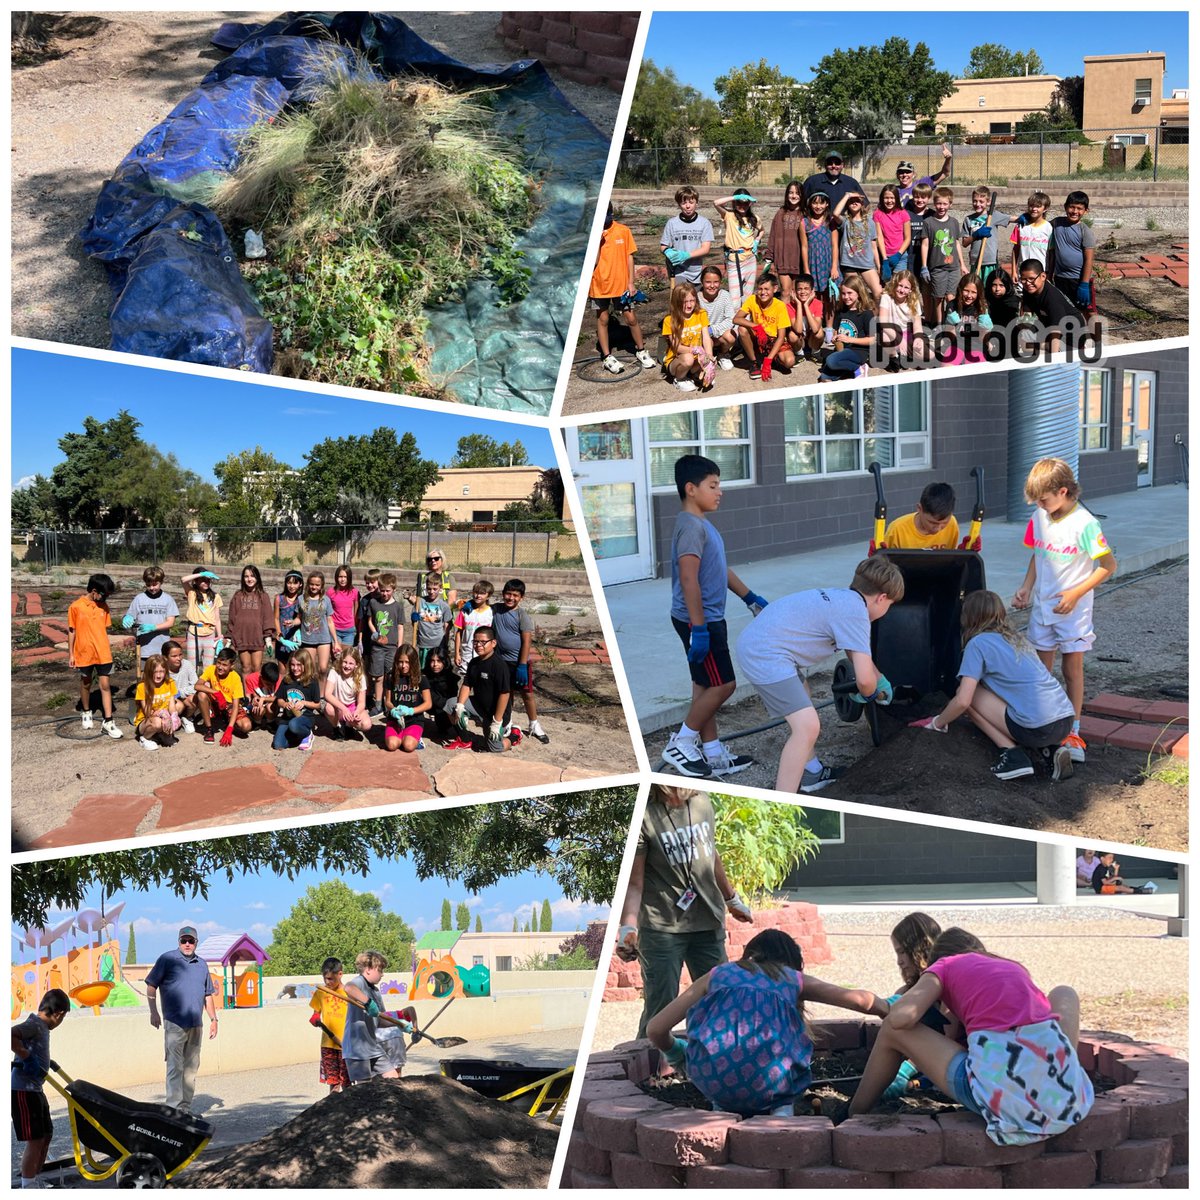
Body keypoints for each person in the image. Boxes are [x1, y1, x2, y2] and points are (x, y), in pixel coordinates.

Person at [849, 927, 1094, 1147]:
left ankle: (853, 1113)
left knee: (894, 1031)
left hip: (1008, 1106)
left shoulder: (943, 966)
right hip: (1069, 1099)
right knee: (1064, 993)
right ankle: (1065, 1070)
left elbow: (901, 1018)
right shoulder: (1012, 966)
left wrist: (896, 1004)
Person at [647, 931, 887, 1116]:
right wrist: (890, 1008)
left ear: (749, 954)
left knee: (721, 1080)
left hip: (713, 1081)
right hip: (773, 1084)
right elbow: (860, 1000)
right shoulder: (791, 978)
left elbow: (656, 1029)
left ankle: (722, 1108)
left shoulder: (717, 974)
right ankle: (782, 1114)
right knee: (786, 1076)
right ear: (792, 963)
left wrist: (678, 1053)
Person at [735, 556, 903, 793]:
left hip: (760, 643)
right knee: (807, 726)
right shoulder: (857, 613)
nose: (887, 610)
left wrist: (879, 677)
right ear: (882, 598)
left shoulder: (844, 598)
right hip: (765, 655)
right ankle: (783, 803)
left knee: (804, 694)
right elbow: (864, 681)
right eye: (890, 605)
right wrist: (870, 692)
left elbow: (855, 653)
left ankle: (812, 773)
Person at [616, 784, 753, 1039]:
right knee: (661, 1005)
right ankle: (650, 1071)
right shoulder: (644, 815)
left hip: (708, 920)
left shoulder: (702, 801)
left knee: (719, 998)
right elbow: (634, 883)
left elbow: (711, 854)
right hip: (661, 926)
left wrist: (731, 899)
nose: (680, 789)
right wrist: (628, 927)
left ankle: (711, 1062)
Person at [662, 454, 767, 779]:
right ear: (691, 489)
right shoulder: (692, 528)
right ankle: (682, 741)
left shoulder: (700, 524)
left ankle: (713, 753)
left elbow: (718, 570)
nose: (719, 491)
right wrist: (700, 628)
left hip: (703, 618)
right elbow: (689, 577)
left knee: (704, 686)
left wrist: (749, 597)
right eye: (713, 485)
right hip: (701, 620)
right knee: (724, 685)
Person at [910, 590, 1077, 782]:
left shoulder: (978, 643)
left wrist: (937, 722)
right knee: (1020, 704)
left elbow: (963, 701)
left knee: (966, 695)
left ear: (968, 617)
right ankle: (1051, 749)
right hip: (1065, 719)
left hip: (1036, 727)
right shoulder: (1018, 639)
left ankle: (1013, 754)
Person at [1013, 457, 1116, 765]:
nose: (1041, 506)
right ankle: (1043, 723)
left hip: (1073, 611)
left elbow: (1108, 566)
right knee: (1041, 671)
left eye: (1044, 500)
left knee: (1071, 670)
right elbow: (1038, 555)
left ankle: (1073, 730)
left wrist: (1075, 593)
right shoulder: (1039, 516)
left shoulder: (1085, 523)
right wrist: (1026, 587)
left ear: (1062, 491)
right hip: (1043, 607)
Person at [144, 925, 218, 1113]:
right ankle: (174, 1110)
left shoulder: (201, 964)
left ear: (196, 942)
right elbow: (151, 986)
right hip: (174, 1023)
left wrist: (214, 1019)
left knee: (191, 1069)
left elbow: (208, 994)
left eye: (190, 941)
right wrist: (153, 1011)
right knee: (175, 1067)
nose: (187, 944)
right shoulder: (167, 959)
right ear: (178, 942)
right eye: (183, 941)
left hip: (195, 1024)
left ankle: (185, 1108)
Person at [11, 988, 70, 1189]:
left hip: (36, 1089)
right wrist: (27, 1057)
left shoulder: (42, 1027)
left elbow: (33, 1047)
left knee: (46, 1134)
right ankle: (28, 1185)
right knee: (35, 1139)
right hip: (24, 1090)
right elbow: (11, 1035)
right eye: (62, 1019)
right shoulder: (35, 1024)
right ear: (59, 1014)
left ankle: (35, 1178)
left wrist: (45, 1061)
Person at [590, 202, 656, 375]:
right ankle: (606, 356)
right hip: (600, 284)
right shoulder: (592, 233)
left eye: (608, 213)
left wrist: (631, 283)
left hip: (621, 285)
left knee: (631, 318)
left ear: (612, 213)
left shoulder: (623, 231)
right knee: (603, 319)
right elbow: (594, 262)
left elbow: (629, 257)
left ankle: (641, 350)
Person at [68, 572, 123, 739]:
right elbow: (72, 631)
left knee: (105, 685)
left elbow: (102, 629)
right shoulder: (76, 607)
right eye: (104, 595)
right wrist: (71, 654)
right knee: (86, 682)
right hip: (83, 653)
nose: (105, 598)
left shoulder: (103, 607)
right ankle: (86, 711)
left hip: (103, 653)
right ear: (93, 591)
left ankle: (108, 721)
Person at [448, 626, 521, 752]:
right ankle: (465, 739)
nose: (478, 645)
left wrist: (497, 722)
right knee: (450, 704)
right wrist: (460, 705)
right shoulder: (474, 662)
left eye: (483, 642)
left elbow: (505, 694)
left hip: (496, 713)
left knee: (495, 748)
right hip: (479, 704)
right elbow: (466, 684)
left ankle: (514, 735)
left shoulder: (499, 665)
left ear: (493, 643)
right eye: (475, 642)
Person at [493, 578, 548, 743]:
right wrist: (468, 605)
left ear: (521, 597)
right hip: (501, 661)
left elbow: (526, 641)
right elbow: (479, 606)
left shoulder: (521, 615)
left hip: (518, 662)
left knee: (527, 693)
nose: (511, 598)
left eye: (515, 595)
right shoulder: (495, 609)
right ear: (503, 594)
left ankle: (534, 724)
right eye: (508, 594)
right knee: (506, 692)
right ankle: (507, 721)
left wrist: (522, 665)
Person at [342, 950, 400, 1083]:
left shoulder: (375, 991)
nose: (382, 974)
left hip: (372, 1046)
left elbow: (380, 1020)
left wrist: (399, 1024)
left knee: (393, 1078)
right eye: (379, 970)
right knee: (364, 1090)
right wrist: (367, 1002)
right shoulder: (359, 982)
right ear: (368, 969)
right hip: (357, 1049)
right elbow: (348, 988)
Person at [734, 273, 795, 381]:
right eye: (760, 289)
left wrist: (768, 361)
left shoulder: (780, 306)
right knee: (742, 329)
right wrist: (756, 326)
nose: (763, 292)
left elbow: (781, 337)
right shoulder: (752, 299)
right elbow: (736, 319)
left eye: (767, 289)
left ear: (775, 289)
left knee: (789, 362)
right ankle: (754, 363)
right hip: (758, 336)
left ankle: (771, 358)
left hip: (773, 339)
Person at [798, 190, 838, 354]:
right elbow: (804, 246)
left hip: (828, 263)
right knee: (816, 298)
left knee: (830, 298)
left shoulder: (831, 221)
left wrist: (834, 266)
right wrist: (806, 269)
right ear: (810, 204)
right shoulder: (804, 223)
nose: (818, 206)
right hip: (813, 263)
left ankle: (828, 329)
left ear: (827, 204)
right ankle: (815, 330)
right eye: (815, 202)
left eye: (821, 202)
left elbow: (835, 245)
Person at [817, 272, 875, 382]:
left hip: (858, 351)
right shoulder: (841, 311)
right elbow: (836, 330)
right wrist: (835, 337)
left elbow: (872, 339)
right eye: (843, 293)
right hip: (842, 349)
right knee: (824, 378)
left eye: (850, 293)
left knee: (831, 361)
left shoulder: (866, 313)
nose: (846, 297)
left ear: (859, 293)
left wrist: (849, 339)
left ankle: (859, 368)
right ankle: (849, 372)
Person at [1016, 261, 1085, 353]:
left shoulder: (1052, 298)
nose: (1028, 283)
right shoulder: (1029, 290)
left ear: (1043, 276)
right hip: (1047, 326)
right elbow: (1027, 315)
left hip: (1070, 338)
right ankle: (1041, 349)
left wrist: (1053, 359)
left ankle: (1048, 348)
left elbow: (1056, 332)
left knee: (1056, 349)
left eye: (1032, 279)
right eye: (1024, 279)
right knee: (1023, 334)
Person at [921, 186, 965, 325]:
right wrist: (924, 266)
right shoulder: (928, 222)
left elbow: (956, 243)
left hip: (953, 267)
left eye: (945, 204)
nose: (941, 207)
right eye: (939, 203)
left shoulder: (953, 222)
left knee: (951, 297)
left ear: (950, 204)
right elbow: (925, 245)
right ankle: (939, 324)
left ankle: (950, 325)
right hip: (937, 268)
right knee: (938, 298)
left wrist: (962, 264)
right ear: (934, 203)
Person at [661, 281, 715, 393]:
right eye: (685, 302)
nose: (689, 305)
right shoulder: (669, 320)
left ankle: (694, 373)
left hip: (696, 356)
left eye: (692, 300)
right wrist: (696, 350)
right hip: (677, 359)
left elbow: (706, 337)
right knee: (688, 358)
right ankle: (679, 379)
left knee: (710, 343)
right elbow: (677, 348)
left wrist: (709, 358)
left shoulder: (701, 314)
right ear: (677, 302)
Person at [1048, 191, 1097, 315]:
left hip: (1079, 280)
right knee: (1064, 310)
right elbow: (1040, 225)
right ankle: (1071, 334)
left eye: (1079, 208)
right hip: (1061, 279)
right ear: (1065, 207)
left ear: (1086, 211)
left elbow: (1089, 260)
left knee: (1090, 312)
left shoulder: (1085, 231)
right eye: (1072, 207)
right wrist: (1026, 218)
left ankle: (1095, 335)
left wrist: (1084, 284)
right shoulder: (1056, 223)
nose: (1075, 211)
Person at [121, 566, 179, 671]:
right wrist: (127, 618)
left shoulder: (168, 599)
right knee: (144, 677)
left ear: (161, 582)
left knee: (160, 675)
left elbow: (170, 622)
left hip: (162, 648)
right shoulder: (139, 599)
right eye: (148, 585)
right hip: (143, 648)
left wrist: (153, 627)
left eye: (155, 584)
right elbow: (130, 616)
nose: (152, 588)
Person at [714, 188, 763, 306]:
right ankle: (735, 323)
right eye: (739, 203)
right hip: (734, 259)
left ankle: (745, 322)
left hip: (750, 259)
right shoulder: (729, 215)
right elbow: (716, 203)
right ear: (734, 203)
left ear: (749, 203)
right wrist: (735, 197)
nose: (742, 205)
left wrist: (757, 240)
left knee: (747, 296)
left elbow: (761, 230)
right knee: (734, 298)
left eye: (745, 203)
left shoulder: (754, 218)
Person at [309, 957, 350, 1094]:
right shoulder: (321, 992)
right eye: (325, 978)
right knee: (333, 1082)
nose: (327, 982)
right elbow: (316, 1012)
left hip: (346, 1043)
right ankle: (333, 1110)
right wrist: (315, 1018)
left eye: (331, 979)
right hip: (328, 1043)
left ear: (340, 974)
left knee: (347, 1081)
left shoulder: (349, 993)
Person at [660, 186, 714, 292]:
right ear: (679, 204)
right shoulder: (672, 223)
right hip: (678, 271)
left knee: (694, 304)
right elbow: (663, 246)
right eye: (684, 203)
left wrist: (686, 255)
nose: (688, 206)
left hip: (696, 273)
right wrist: (667, 251)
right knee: (681, 302)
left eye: (691, 202)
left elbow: (706, 248)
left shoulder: (704, 223)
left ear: (696, 203)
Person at [226, 565, 274, 680]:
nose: (249, 579)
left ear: (257, 578)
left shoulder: (263, 596)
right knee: (245, 667)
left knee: (256, 667)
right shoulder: (238, 596)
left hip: (257, 637)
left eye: (252, 576)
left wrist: (268, 638)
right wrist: (228, 638)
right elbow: (232, 618)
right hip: (242, 636)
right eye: (246, 576)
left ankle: (255, 695)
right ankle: (247, 695)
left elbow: (267, 617)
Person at [195, 646, 251, 745]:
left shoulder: (235, 678)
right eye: (219, 663)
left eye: (225, 665)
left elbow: (235, 705)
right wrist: (216, 693)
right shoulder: (211, 669)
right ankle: (209, 729)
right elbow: (197, 685)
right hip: (215, 701)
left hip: (229, 704)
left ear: (232, 666)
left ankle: (229, 724)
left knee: (246, 726)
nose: (220, 667)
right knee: (201, 694)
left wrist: (229, 730)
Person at [832, 191, 882, 300]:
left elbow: (874, 246)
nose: (854, 203)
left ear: (862, 204)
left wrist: (878, 265)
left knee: (878, 293)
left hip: (866, 263)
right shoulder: (845, 222)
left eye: (857, 201)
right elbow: (835, 213)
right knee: (852, 295)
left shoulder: (870, 222)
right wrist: (847, 195)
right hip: (849, 263)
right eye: (851, 201)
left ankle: (877, 316)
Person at [366, 572, 404, 716]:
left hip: (392, 647)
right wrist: (375, 633)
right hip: (377, 646)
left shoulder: (398, 606)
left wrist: (399, 646)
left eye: (388, 591)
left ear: (393, 589)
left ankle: (390, 704)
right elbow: (369, 621)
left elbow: (400, 627)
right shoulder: (374, 603)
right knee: (378, 677)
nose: (385, 593)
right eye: (382, 590)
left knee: (391, 676)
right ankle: (378, 705)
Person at [959, 185, 1011, 287]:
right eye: (975, 201)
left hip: (990, 261)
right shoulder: (968, 219)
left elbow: (1013, 219)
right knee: (976, 288)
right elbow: (964, 243)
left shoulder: (993, 216)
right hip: (975, 260)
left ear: (988, 202)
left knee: (989, 288)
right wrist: (975, 235)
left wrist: (1026, 217)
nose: (977, 204)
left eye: (981, 201)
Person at [384, 643, 432, 752]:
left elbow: (428, 703)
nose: (403, 665)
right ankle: (401, 736)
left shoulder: (421, 678)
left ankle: (414, 738)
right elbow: (387, 701)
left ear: (413, 662)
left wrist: (410, 711)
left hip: (414, 719)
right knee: (392, 745)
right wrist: (393, 710)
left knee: (408, 746)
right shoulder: (391, 677)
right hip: (395, 719)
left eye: (407, 662)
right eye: (401, 662)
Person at [884, 481, 960, 550]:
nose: (937, 529)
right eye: (932, 523)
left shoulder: (952, 524)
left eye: (944, 523)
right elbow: (883, 562)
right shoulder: (897, 530)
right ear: (919, 509)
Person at [272, 648, 322, 751]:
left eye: (299, 665)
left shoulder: (312, 681)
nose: (295, 668)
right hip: (287, 717)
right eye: (293, 665)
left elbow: (318, 705)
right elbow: (279, 700)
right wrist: (285, 704)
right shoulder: (287, 680)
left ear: (306, 665)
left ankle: (308, 734)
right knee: (278, 745)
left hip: (305, 717)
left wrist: (304, 702)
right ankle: (298, 736)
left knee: (294, 724)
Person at [765, 179, 806, 305]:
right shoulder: (781, 213)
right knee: (786, 292)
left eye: (797, 193)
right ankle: (785, 323)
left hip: (799, 259)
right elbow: (773, 235)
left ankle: (797, 322)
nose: (793, 196)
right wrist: (769, 257)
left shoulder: (805, 213)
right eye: (791, 192)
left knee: (798, 293)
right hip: (783, 259)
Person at [877, 269, 926, 369]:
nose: (902, 290)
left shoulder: (914, 300)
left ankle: (907, 356)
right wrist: (899, 339)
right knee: (884, 336)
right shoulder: (886, 297)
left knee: (926, 355)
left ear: (911, 289)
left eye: (906, 287)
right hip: (891, 332)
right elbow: (883, 323)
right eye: (900, 285)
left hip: (907, 333)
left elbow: (917, 327)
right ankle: (894, 357)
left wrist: (918, 338)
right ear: (895, 284)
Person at [134, 652, 182, 751]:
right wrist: (163, 715)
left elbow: (172, 706)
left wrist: (174, 717)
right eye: (155, 672)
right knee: (158, 723)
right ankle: (145, 738)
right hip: (147, 720)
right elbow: (147, 711)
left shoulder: (170, 683)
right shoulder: (142, 687)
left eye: (162, 671)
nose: (159, 675)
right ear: (149, 672)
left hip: (164, 716)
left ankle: (161, 735)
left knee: (179, 707)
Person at [324, 645, 372, 739]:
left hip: (352, 707)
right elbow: (327, 694)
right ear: (341, 661)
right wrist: (343, 709)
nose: (347, 666)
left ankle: (348, 725)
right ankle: (336, 727)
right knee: (328, 708)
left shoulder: (360, 676)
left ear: (356, 665)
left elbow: (362, 702)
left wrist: (357, 712)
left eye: (351, 663)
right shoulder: (334, 672)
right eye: (345, 662)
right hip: (337, 706)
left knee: (366, 725)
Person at [942, 275, 993, 364]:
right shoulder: (952, 305)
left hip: (976, 346)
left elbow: (982, 340)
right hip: (956, 345)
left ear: (979, 293)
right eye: (966, 290)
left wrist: (986, 329)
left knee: (973, 373)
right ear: (960, 289)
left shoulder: (983, 308)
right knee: (947, 369)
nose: (969, 295)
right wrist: (949, 325)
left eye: (974, 292)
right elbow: (950, 338)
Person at [298, 570, 339, 679]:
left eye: (317, 585)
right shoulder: (301, 599)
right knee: (310, 670)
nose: (314, 587)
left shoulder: (326, 600)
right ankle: (312, 694)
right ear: (308, 584)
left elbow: (330, 621)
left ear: (321, 586)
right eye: (312, 584)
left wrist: (335, 641)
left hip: (324, 639)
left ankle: (321, 694)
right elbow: (299, 619)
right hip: (307, 638)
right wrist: (291, 623)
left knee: (323, 669)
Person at [697, 265, 738, 369]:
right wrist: (706, 332)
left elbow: (730, 319)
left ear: (720, 282)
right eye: (708, 282)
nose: (712, 286)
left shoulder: (725, 295)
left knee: (731, 336)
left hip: (719, 334)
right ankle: (707, 360)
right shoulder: (697, 298)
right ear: (702, 282)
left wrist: (713, 330)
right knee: (708, 342)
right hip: (703, 335)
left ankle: (722, 354)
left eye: (716, 282)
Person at [180, 570, 223, 669]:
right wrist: (201, 574)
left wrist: (219, 636)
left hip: (210, 633)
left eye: (208, 580)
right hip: (194, 632)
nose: (206, 582)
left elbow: (217, 618)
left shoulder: (215, 597)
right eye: (203, 580)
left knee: (208, 666)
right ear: (196, 581)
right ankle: (193, 684)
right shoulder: (192, 593)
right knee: (192, 665)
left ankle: (205, 684)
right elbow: (183, 580)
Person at [454, 579, 496, 675]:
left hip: (485, 654)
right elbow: (459, 633)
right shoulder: (465, 611)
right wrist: (457, 653)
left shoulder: (492, 613)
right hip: (467, 653)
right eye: (476, 592)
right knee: (466, 680)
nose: (478, 596)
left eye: (482, 593)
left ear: (488, 596)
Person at [411, 572, 452, 667]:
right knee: (424, 668)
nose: (432, 591)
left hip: (438, 643)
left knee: (436, 667)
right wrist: (414, 619)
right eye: (429, 589)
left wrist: (446, 643)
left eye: (435, 589)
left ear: (440, 589)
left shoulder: (444, 606)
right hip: (423, 642)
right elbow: (415, 625)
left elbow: (447, 626)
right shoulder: (419, 602)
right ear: (426, 588)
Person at [1010, 191, 1054, 278]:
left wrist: (1050, 274)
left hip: (1041, 273)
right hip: (1022, 272)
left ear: (1045, 208)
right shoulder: (1020, 226)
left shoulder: (1049, 228)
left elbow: (1052, 253)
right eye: (1031, 205)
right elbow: (1015, 249)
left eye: (1038, 206)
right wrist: (1013, 271)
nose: (1034, 209)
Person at [874, 184, 911, 281]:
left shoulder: (903, 214)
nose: (889, 201)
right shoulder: (877, 214)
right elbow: (879, 237)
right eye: (886, 198)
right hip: (885, 256)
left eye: (892, 198)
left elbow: (907, 238)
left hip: (900, 256)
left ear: (897, 198)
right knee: (886, 285)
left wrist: (898, 254)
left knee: (899, 284)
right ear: (882, 198)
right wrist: (885, 259)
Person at [422, 648, 458, 745]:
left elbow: (452, 698)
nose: (435, 664)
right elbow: (428, 695)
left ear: (444, 662)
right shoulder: (424, 676)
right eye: (432, 661)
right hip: (429, 704)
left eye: (439, 661)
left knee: (444, 729)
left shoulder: (451, 678)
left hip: (445, 708)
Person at [164, 639, 199, 733]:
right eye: (174, 656)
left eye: (180, 655)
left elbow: (196, 685)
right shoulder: (162, 669)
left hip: (184, 696)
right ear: (165, 657)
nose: (178, 658)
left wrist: (179, 692)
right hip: (168, 700)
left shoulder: (187, 664)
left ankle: (186, 717)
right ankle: (168, 722)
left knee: (196, 697)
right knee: (178, 706)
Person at [789, 272, 826, 361]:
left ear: (812, 291)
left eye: (806, 289)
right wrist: (798, 304)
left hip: (811, 339)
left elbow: (815, 329)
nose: (802, 292)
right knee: (792, 335)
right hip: (800, 340)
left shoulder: (818, 304)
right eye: (799, 289)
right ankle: (799, 354)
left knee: (820, 333)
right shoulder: (789, 306)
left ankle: (815, 353)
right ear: (794, 291)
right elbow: (798, 330)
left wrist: (806, 305)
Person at [273, 569, 305, 666]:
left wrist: (299, 632)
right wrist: (280, 636)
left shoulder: (302, 599)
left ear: (300, 584)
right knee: (282, 669)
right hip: (284, 636)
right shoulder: (279, 598)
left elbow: (303, 617)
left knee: (297, 668)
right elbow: (276, 618)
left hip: (297, 637)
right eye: (289, 583)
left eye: (295, 583)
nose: (291, 586)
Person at [1090, 851, 1157, 895]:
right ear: (1102, 858)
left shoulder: (1105, 867)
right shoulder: (1100, 868)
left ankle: (1138, 888)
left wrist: (1116, 869)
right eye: (1109, 858)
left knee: (1124, 886)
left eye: (1112, 858)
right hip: (1101, 889)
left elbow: (1113, 879)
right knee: (1121, 888)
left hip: (1106, 887)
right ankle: (1140, 891)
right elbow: (1105, 882)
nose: (1112, 860)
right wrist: (1115, 878)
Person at [244, 659, 282, 732]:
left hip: (271, 705)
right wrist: (252, 702)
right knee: (257, 707)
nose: (270, 686)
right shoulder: (250, 679)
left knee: (270, 706)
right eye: (268, 684)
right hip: (258, 705)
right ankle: (257, 722)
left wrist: (263, 699)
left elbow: (278, 697)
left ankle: (271, 722)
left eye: (272, 684)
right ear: (261, 677)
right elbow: (249, 696)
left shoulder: (278, 680)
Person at [330, 564, 360, 649]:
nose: (343, 579)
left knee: (346, 657)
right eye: (340, 576)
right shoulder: (330, 592)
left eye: (345, 577)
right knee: (336, 658)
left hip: (349, 631)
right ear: (336, 577)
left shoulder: (354, 592)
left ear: (349, 578)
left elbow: (356, 611)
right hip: (335, 630)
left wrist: (355, 626)